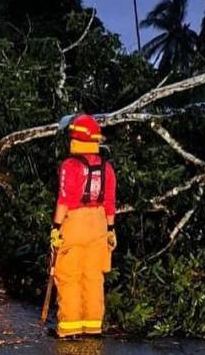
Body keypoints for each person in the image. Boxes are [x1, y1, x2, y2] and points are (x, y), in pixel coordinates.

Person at [51, 114, 117, 338]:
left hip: (75, 222)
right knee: (93, 277)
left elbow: (64, 199)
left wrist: (55, 227)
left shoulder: (70, 165)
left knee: (69, 276)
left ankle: (69, 328)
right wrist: (110, 230)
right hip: (99, 224)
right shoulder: (107, 168)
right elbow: (110, 202)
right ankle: (93, 327)